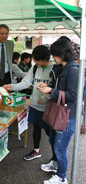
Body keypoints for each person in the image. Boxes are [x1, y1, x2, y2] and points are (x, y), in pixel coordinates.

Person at [37, 39, 78, 184]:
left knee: (60, 148)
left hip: (66, 115)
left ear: (63, 53)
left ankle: (61, 177)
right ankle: (55, 164)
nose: (53, 57)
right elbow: (60, 87)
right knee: (53, 140)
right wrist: (47, 86)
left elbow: (73, 95)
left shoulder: (73, 69)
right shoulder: (63, 66)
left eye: (54, 54)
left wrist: (51, 91)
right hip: (59, 112)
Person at [3, 45, 54, 161]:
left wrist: (46, 97)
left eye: (37, 59)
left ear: (45, 58)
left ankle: (56, 155)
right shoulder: (35, 68)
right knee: (36, 128)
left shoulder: (54, 68)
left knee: (49, 131)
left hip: (47, 107)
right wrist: (11, 86)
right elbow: (25, 83)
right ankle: (36, 150)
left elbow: (56, 88)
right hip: (35, 105)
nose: (34, 61)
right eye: (33, 59)